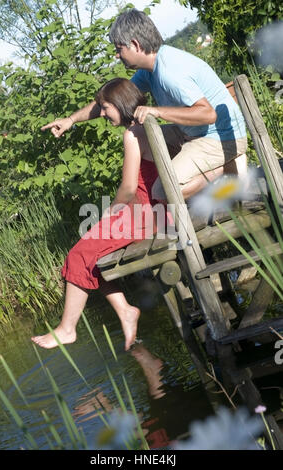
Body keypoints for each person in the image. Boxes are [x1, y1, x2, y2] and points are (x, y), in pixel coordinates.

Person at [41, 9, 248, 201]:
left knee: (163, 191)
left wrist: (157, 111)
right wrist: (71, 119)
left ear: (135, 44)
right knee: (137, 134)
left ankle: (224, 168)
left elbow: (208, 114)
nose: (116, 55)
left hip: (220, 137)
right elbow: (111, 101)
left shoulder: (170, 72)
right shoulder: (151, 70)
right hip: (193, 132)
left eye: (119, 49)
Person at [31, 78, 159, 351]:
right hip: (156, 211)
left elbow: (126, 190)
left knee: (78, 255)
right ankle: (125, 310)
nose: (101, 114)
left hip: (141, 215)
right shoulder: (150, 124)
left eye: (105, 108)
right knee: (89, 255)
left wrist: (108, 216)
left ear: (120, 105)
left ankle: (67, 330)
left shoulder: (133, 134)